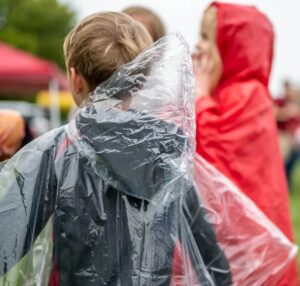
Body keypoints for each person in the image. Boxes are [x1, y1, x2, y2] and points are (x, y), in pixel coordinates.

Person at [0, 12, 232, 285]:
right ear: (141, 81)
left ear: (75, 79)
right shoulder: (167, 154)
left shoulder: (57, 152)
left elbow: (5, 243)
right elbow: (213, 259)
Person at [192, 2, 298, 285]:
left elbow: (213, 162)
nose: (197, 46)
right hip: (241, 249)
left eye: (206, 37)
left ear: (233, 45)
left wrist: (200, 98)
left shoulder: (246, 94)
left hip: (250, 256)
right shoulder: (236, 93)